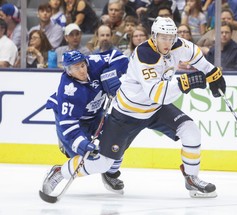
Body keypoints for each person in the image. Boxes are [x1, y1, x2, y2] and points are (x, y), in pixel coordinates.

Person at [42, 17, 226, 198]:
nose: (168, 42)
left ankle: (192, 178)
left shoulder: (178, 44)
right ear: (154, 36)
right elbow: (157, 93)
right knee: (104, 163)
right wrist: (186, 82)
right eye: (163, 37)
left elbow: (195, 55)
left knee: (190, 130)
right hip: (127, 114)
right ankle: (61, 171)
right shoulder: (144, 55)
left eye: (171, 37)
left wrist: (212, 73)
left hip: (155, 109)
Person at [42, 49, 129, 195]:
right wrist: (81, 144)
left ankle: (110, 174)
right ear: (68, 71)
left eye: (82, 65)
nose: (82, 70)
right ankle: (58, 171)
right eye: (76, 68)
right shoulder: (69, 90)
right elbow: (68, 124)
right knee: (80, 157)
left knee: (117, 140)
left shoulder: (94, 62)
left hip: (96, 115)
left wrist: (111, 74)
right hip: (74, 121)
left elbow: (119, 57)